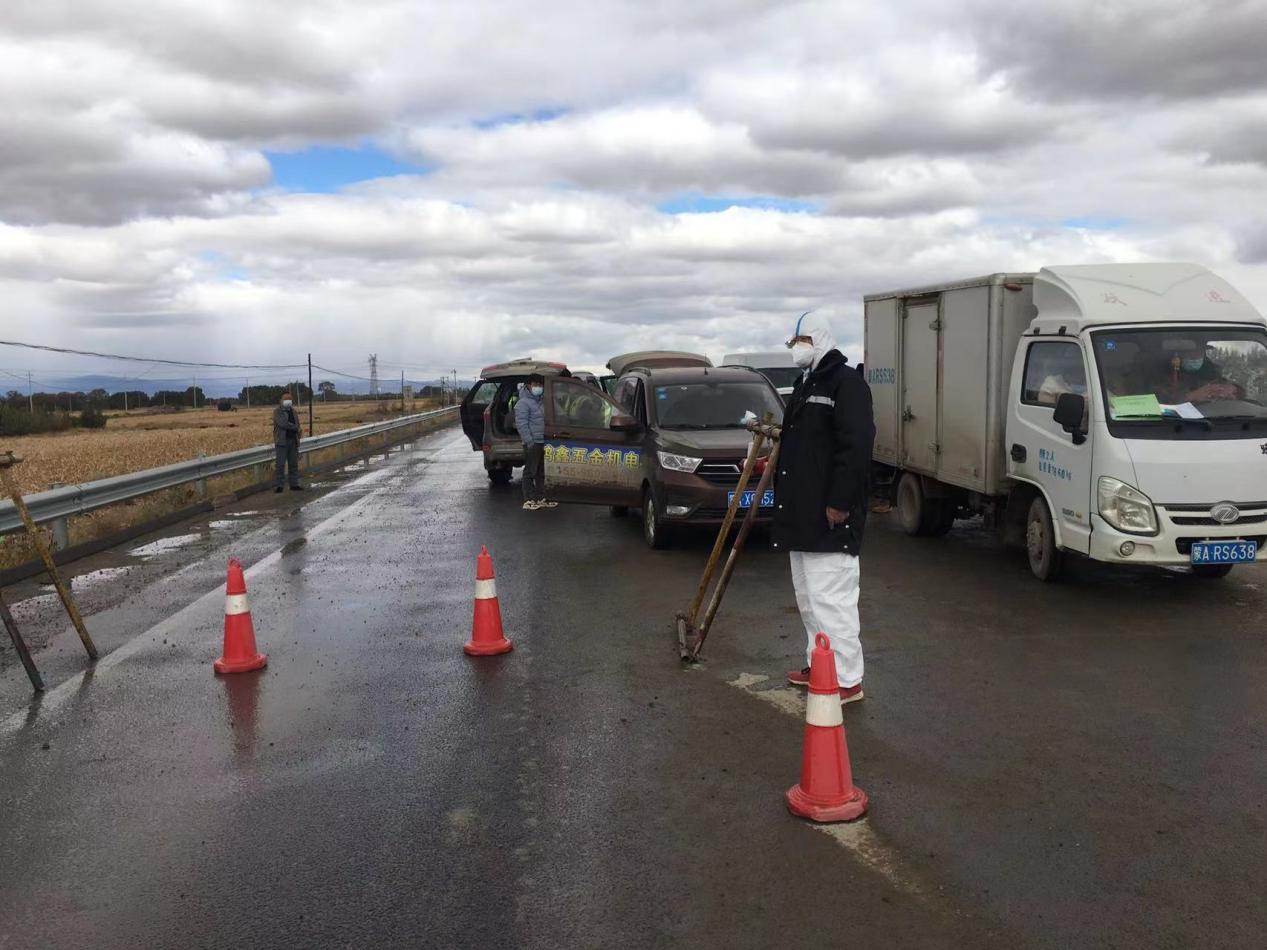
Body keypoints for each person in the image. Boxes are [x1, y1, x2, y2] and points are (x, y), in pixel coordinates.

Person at [772, 312, 875, 705]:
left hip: (831, 517)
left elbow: (856, 446)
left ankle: (847, 679)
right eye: (793, 341)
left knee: (833, 600)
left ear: (819, 340)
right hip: (802, 513)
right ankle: (820, 666)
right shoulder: (806, 383)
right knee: (809, 599)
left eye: (801, 340)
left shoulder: (846, 384)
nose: (796, 347)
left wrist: (840, 502)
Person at [514, 374, 556, 510]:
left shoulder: (543, 401)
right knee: (530, 472)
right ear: (528, 386)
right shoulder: (523, 403)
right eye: (535, 385)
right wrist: (529, 442)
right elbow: (522, 425)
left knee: (541, 472)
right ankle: (529, 499)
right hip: (533, 443)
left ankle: (541, 497)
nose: (538, 387)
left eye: (540, 385)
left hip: (544, 441)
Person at [1152, 343, 1241, 404]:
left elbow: (1238, 402)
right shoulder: (1164, 375)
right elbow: (1162, 406)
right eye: (1190, 353)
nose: (1195, 356)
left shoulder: (1213, 374)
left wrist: (1231, 391)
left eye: (1199, 352)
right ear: (1178, 355)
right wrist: (1192, 396)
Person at [272, 391, 303, 492]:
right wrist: (296, 427)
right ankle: (279, 486)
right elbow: (283, 424)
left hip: (293, 441)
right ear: (280, 400)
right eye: (285, 399)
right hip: (282, 442)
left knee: (293, 464)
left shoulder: (293, 411)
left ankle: (294, 484)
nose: (288, 401)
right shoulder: (277, 411)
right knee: (280, 465)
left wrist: (298, 431)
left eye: (289, 399)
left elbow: (298, 423)